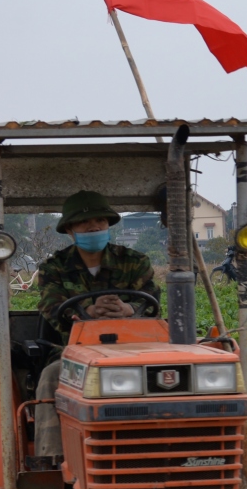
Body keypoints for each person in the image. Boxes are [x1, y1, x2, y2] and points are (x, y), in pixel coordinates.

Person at [35, 191, 161, 456]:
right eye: (84, 222)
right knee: (50, 376)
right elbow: (52, 307)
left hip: (134, 350)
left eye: (99, 221)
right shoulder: (53, 268)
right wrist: (88, 311)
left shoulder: (134, 262)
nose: (93, 226)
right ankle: (52, 460)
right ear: (70, 229)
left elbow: (151, 304)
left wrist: (128, 309)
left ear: (108, 224)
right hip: (74, 352)